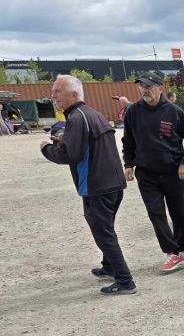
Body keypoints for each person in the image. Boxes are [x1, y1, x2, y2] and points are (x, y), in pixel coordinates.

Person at [40, 75, 135, 295]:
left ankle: (125, 281)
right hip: (111, 183)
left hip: (97, 186)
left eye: (57, 91)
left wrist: (46, 148)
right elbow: (85, 145)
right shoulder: (92, 113)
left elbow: (69, 155)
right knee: (105, 229)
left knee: (104, 233)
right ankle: (109, 266)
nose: (53, 96)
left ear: (74, 94)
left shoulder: (77, 118)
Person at [123, 72, 184, 273]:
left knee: (181, 213)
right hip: (147, 174)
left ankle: (182, 249)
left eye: (148, 86)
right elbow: (128, 141)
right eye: (141, 86)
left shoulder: (174, 112)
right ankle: (171, 253)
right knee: (156, 214)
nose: (144, 90)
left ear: (160, 88)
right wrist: (128, 164)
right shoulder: (133, 112)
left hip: (174, 172)